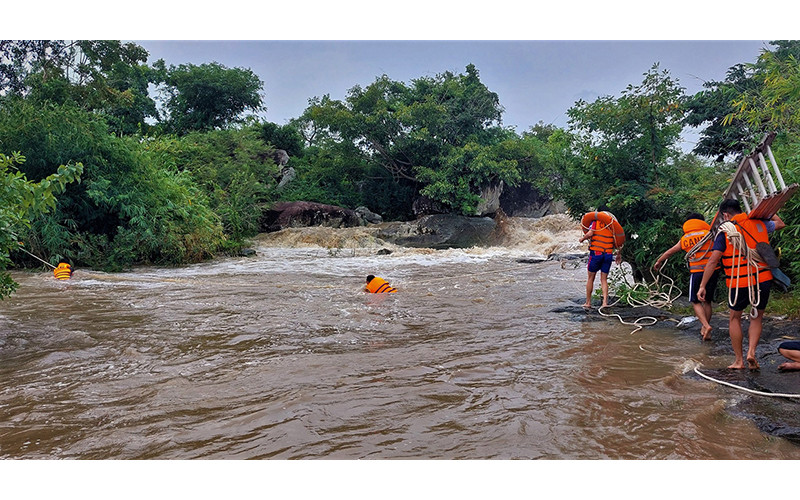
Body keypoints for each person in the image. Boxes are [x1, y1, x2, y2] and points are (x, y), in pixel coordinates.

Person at [697, 199, 785, 369]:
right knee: (756, 317)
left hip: (739, 282)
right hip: (762, 279)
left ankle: (739, 360)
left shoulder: (725, 232)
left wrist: (702, 285)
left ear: (725, 215)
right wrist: (766, 210)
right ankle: (751, 352)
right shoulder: (760, 224)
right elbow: (780, 223)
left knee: (734, 318)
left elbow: (713, 260)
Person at [653, 213, 720, 341]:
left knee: (695, 301)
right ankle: (705, 329)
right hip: (713, 271)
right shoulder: (711, 234)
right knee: (707, 301)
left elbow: (670, 251)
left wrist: (659, 261)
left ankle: (706, 326)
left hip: (697, 273)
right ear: (702, 221)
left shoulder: (685, 238)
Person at [579, 205, 623, 308]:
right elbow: (618, 241)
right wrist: (619, 254)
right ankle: (604, 303)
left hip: (596, 253)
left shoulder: (595, 222)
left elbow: (590, 233)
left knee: (591, 278)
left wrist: (582, 239)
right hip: (608, 254)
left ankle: (588, 303)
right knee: (604, 279)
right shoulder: (612, 225)